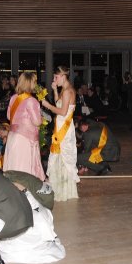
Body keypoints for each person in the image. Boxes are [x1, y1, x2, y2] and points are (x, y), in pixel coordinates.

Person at [41, 66, 79, 201]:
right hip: (61, 126)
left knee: (62, 157)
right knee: (58, 156)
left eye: (56, 77)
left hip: (65, 128)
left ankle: (62, 190)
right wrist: (55, 90)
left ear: (63, 76)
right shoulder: (64, 89)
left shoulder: (68, 91)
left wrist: (47, 106)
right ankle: (58, 188)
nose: (54, 79)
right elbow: (59, 103)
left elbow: (62, 112)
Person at [3, 72, 45, 180]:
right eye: (34, 82)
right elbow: (37, 122)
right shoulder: (31, 101)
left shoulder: (14, 98)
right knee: (24, 167)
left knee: (14, 166)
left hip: (13, 136)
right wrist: (41, 118)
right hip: (25, 139)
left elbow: (8, 116)